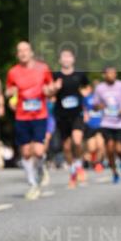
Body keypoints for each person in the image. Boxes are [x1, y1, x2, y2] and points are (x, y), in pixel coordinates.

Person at [5, 41, 53, 199]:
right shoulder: (13, 72)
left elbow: (51, 88)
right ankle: (32, 184)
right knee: (25, 153)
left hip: (40, 115)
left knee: (38, 151)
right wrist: (10, 93)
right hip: (22, 116)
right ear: (17, 54)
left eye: (25, 50)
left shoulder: (43, 68)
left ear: (31, 52)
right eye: (20, 51)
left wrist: (49, 90)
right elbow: (8, 91)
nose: (23, 53)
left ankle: (40, 168)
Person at [49, 49, 89, 188]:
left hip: (77, 114)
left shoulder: (80, 74)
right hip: (61, 115)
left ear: (73, 59)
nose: (66, 59)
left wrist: (84, 96)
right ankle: (73, 172)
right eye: (64, 57)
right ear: (60, 60)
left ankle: (79, 166)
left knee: (77, 141)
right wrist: (55, 88)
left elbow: (87, 88)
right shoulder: (55, 75)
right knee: (66, 147)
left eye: (69, 57)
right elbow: (50, 94)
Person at [91, 65, 121, 184]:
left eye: (114, 73)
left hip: (120, 122)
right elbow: (94, 105)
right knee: (109, 148)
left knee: (119, 148)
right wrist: (98, 106)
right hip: (106, 122)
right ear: (104, 75)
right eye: (109, 73)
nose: (112, 75)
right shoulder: (100, 88)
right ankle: (114, 172)